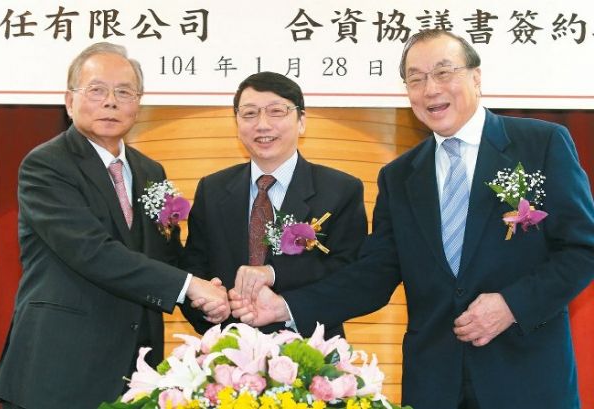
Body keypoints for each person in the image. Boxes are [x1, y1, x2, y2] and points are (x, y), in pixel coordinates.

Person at [230, 30, 594, 409]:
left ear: (476, 77)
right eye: (416, 79)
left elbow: (583, 249)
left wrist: (512, 304)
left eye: (443, 72)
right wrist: (286, 307)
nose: (430, 89)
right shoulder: (400, 175)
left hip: (527, 377)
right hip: (435, 383)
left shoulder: (540, 143)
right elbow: (374, 275)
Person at [0, 42, 229, 409]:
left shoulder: (151, 172)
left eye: (124, 92)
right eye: (97, 90)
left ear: (138, 103)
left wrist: (209, 304)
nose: (111, 101)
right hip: (59, 368)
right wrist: (188, 287)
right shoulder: (46, 165)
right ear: (69, 101)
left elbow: (166, 256)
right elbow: (92, 251)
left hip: (136, 370)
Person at [181, 71, 367, 338]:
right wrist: (209, 308)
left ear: (302, 121)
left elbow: (350, 273)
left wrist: (274, 274)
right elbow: (195, 268)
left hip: (311, 350)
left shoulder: (340, 189)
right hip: (228, 353)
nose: (262, 124)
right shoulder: (212, 189)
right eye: (249, 114)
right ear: (236, 123)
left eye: (276, 111)